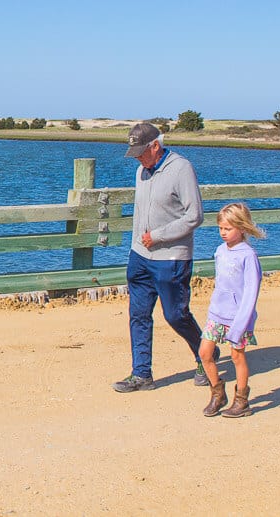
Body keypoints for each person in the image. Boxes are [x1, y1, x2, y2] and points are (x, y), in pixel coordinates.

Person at [113, 122, 218, 393]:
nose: (137, 157)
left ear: (155, 146)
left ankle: (205, 355)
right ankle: (141, 373)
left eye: (140, 151)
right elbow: (140, 214)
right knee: (138, 314)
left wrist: (158, 236)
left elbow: (194, 215)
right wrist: (136, 245)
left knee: (175, 314)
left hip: (171, 258)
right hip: (139, 256)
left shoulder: (181, 169)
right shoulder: (141, 171)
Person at [200, 202, 265, 417]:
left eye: (228, 229)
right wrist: (212, 310)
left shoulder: (248, 255)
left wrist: (241, 324)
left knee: (237, 357)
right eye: (220, 228)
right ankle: (218, 393)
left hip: (239, 317)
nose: (223, 233)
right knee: (205, 353)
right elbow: (220, 284)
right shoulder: (220, 251)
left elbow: (250, 292)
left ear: (242, 228)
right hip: (217, 314)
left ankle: (241, 400)